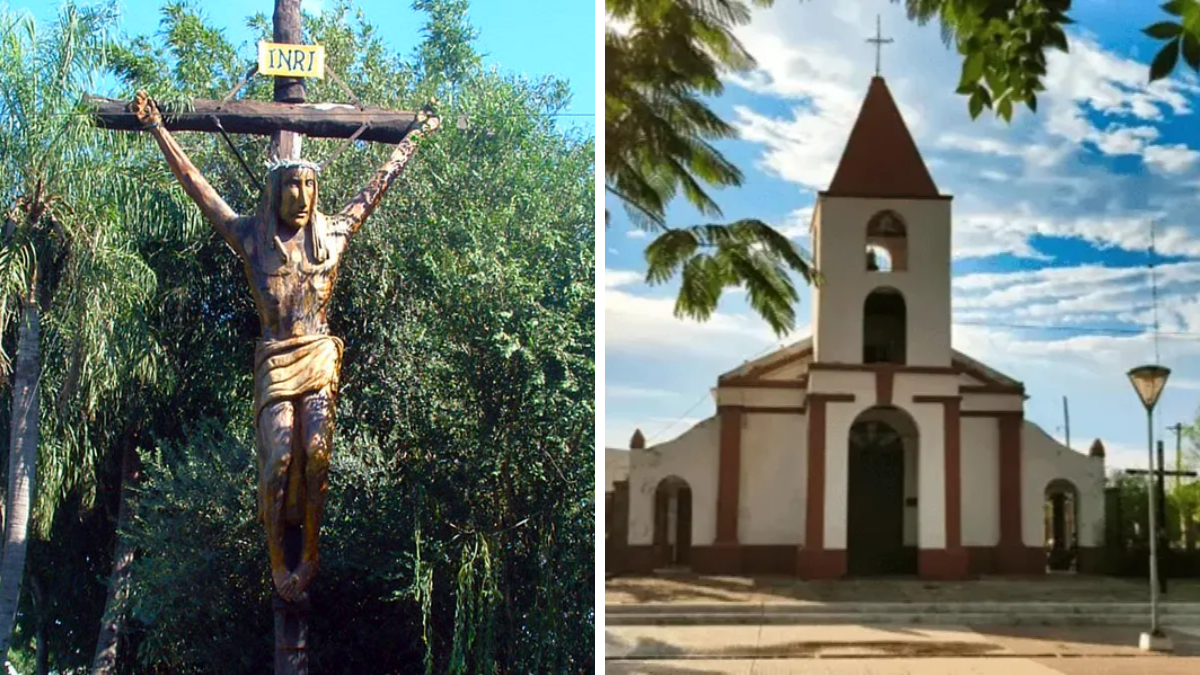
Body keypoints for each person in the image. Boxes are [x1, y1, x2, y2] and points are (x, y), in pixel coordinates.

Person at [131, 90, 439, 601]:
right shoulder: (251, 238)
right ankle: (278, 562)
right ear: (274, 191)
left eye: (309, 185)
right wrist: (159, 130)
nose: (301, 195)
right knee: (276, 461)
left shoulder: (333, 237)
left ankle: (311, 553)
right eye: (291, 185)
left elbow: (375, 186)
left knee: (317, 455)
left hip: (318, 355)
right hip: (275, 361)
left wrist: (411, 139)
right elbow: (198, 187)